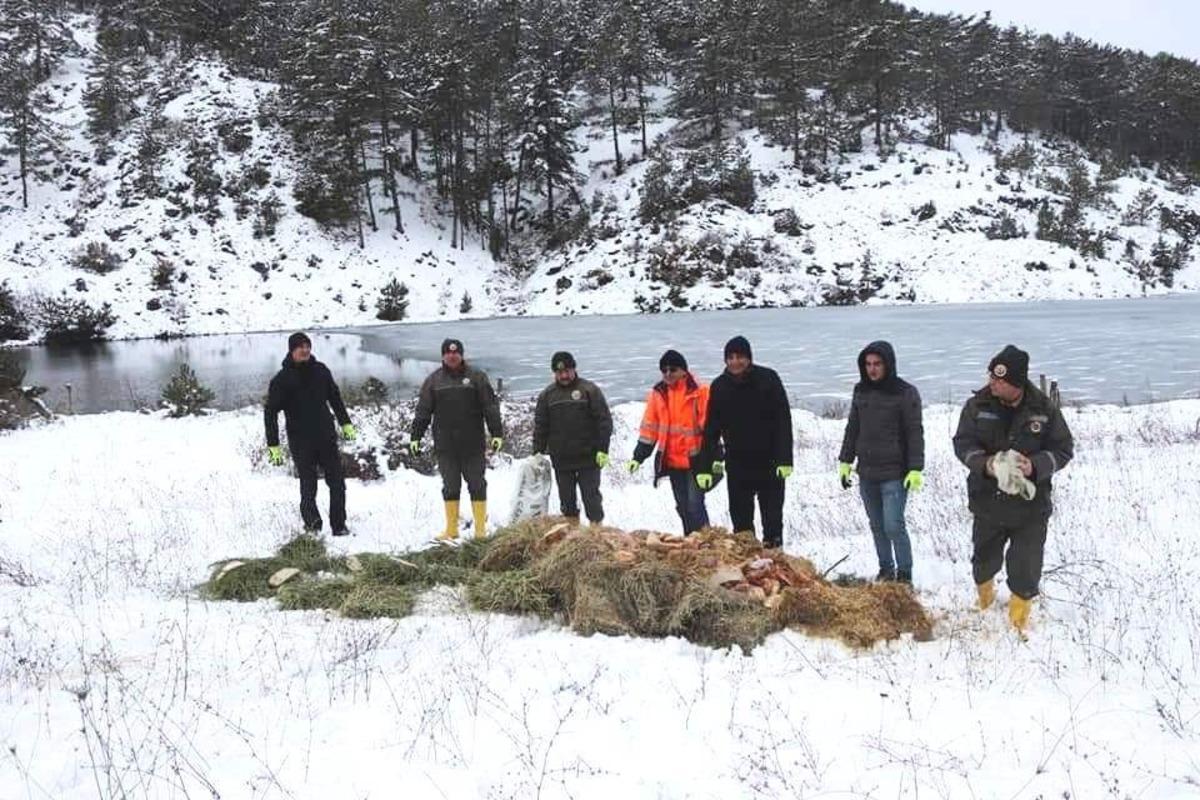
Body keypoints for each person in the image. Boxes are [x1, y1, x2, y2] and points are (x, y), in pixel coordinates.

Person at [952, 344, 1074, 633]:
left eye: (1000, 380)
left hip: (1030, 505)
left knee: (1026, 564)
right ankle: (984, 598)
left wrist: (1035, 466)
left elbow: (1063, 449)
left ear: (1016, 384)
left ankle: (1019, 617)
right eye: (991, 376)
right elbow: (963, 444)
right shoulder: (977, 406)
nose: (992, 383)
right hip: (988, 500)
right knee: (984, 558)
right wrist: (987, 464)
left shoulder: (1044, 409)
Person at [837, 341, 924, 584]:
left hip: (895, 473)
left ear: (888, 364)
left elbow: (914, 431)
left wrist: (916, 468)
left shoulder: (905, 392)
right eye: (868, 364)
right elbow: (853, 427)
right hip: (867, 472)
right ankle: (886, 570)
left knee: (893, 525)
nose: (872, 369)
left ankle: (904, 575)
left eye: (877, 364)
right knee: (877, 525)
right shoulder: (861, 390)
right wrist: (845, 461)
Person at [695, 336, 793, 548]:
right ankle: (749, 567)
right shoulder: (720, 386)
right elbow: (711, 429)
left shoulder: (768, 379)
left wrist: (785, 459)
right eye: (730, 357)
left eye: (740, 357)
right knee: (741, 525)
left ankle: (775, 561)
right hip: (738, 465)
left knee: (773, 520)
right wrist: (704, 466)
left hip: (770, 463)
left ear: (749, 358)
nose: (735, 362)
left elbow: (783, 421)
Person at [410, 338, 504, 540]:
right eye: (448, 353)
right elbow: (423, 411)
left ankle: (480, 530)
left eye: (456, 353)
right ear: (443, 356)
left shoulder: (477, 377)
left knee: (477, 484)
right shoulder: (433, 381)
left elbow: (490, 407)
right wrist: (415, 437)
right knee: (450, 486)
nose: (452, 356)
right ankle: (451, 529)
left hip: (473, 444)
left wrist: (497, 433)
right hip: (446, 445)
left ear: (462, 355)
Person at [264, 331, 357, 536]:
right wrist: (273, 445)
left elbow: (335, 398)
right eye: (300, 347)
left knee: (337, 484)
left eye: (308, 346)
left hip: (326, 437)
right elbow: (270, 412)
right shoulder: (281, 380)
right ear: (292, 350)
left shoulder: (321, 371)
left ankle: (339, 525)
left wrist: (346, 423)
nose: (305, 350)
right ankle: (313, 526)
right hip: (301, 441)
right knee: (308, 485)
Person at [627, 349, 711, 535]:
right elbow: (650, 430)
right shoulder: (658, 394)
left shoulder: (700, 392)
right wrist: (638, 457)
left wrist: (712, 462)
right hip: (673, 462)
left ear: (683, 371)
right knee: (682, 507)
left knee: (695, 505)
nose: (667, 374)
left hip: (696, 461)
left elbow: (711, 431)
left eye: (672, 369)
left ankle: (707, 542)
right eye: (664, 370)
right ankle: (690, 541)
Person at [533, 351, 613, 525]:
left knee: (591, 498)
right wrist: (537, 453)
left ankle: (596, 532)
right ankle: (572, 535)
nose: (563, 375)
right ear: (554, 373)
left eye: (567, 371)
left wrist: (603, 449)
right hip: (562, 459)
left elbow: (604, 421)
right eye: (559, 372)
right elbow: (541, 426)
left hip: (589, 457)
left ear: (574, 369)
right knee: (567, 501)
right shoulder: (547, 395)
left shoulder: (589, 390)